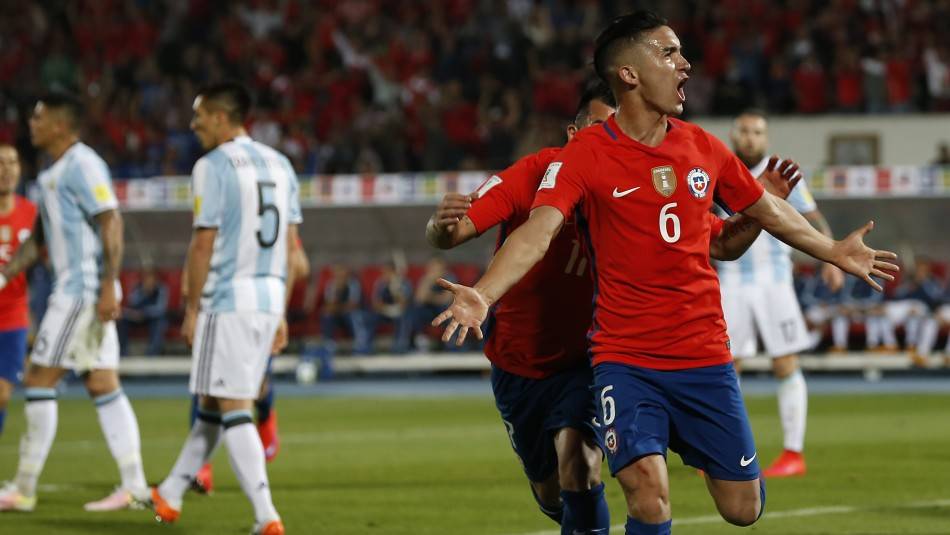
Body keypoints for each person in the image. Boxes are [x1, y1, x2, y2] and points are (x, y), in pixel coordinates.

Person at [432, 12, 898, 534]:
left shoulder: (702, 146)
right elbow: (537, 231)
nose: (685, 64)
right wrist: (485, 294)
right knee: (645, 494)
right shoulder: (585, 154)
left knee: (742, 508)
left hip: (703, 353)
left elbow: (764, 211)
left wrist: (832, 249)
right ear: (629, 73)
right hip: (623, 358)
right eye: (669, 52)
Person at [426, 77, 805, 534]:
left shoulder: (641, 184)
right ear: (574, 134)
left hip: (600, 357)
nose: (618, 138)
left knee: (580, 461)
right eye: (605, 127)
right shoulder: (534, 175)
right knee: (551, 491)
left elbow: (719, 241)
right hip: (520, 364)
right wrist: (441, 228)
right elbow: (455, 230)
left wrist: (759, 210)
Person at [149, 82, 300, 535]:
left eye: (199, 116)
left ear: (219, 117)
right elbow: (293, 250)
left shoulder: (211, 165)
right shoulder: (281, 164)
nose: (193, 125)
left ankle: (266, 516)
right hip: (268, 298)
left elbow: (203, 243)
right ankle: (171, 492)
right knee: (213, 401)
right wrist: (282, 311)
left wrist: (192, 308)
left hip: (228, 299)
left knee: (233, 406)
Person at [0, 93, 149, 512]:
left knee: (38, 379)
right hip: (79, 291)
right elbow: (39, 239)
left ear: (61, 125)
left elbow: (111, 219)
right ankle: (135, 486)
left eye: (39, 117)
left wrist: (108, 284)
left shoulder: (83, 164)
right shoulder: (51, 173)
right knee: (102, 383)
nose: (32, 124)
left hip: (81, 292)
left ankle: (23, 488)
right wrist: (4, 276)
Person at [716, 109, 844, 478]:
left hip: (774, 281)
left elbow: (812, 217)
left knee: (785, 362)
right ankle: (725, 451)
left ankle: (793, 453)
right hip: (729, 281)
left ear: (766, 137)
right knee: (725, 367)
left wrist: (831, 257)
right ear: (733, 134)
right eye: (744, 131)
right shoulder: (717, 169)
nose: (750, 138)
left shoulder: (780, 173)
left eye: (757, 132)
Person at [189, 236, 310, 494]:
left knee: (253, 388)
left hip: (257, 308)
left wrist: (277, 305)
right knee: (205, 386)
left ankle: (265, 414)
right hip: (219, 307)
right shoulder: (215, 215)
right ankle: (200, 470)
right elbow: (199, 246)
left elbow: (299, 263)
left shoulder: (272, 214)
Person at [0, 144, 37, 439]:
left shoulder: (31, 212)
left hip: (13, 316)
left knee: (2, 394)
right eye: (1, 163)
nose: (7, 169)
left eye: (12, 162)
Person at [118, 266, 169, 356]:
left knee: (160, 321)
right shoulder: (138, 287)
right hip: (136, 317)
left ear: (155, 279)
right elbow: (132, 302)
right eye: (146, 278)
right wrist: (144, 292)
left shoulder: (161, 289)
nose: (148, 281)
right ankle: (123, 352)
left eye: (150, 278)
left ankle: (152, 353)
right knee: (122, 320)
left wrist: (145, 312)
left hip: (152, 317)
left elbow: (161, 309)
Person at [320, 263, 371, 354]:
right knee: (327, 315)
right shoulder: (331, 285)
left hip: (352, 313)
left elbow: (353, 305)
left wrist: (337, 308)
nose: (339, 276)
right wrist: (337, 291)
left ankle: (360, 344)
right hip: (338, 313)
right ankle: (329, 344)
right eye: (337, 273)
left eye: (341, 273)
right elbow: (329, 305)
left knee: (354, 316)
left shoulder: (353, 284)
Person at [368, 262, 413, 354]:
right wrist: (385, 308)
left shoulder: (405, 283)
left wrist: (394, 289)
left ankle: (399, 346)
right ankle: (367, 346)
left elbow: (403, 304)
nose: (385, 275)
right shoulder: (380, 283)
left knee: (405, 317)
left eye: (388, 272)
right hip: (384, 312)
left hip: (400, 313)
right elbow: (376, 304)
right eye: (384, 272)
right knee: (370, 317)